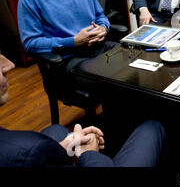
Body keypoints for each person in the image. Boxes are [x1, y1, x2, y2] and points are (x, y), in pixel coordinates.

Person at [0, 53, 167, 167]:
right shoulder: (31, 150)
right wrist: (89, 154)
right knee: (152, 127)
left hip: (98, 50)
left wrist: (65, 145)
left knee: (56, 129)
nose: (9, 65)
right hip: (71, 61)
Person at [17, 0, 117, 95]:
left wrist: (103, 28)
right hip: (69, 59)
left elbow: (100, 16)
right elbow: (30, 43)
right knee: (115, 82)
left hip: (99, 47)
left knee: (137, 64)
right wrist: (73, 41)